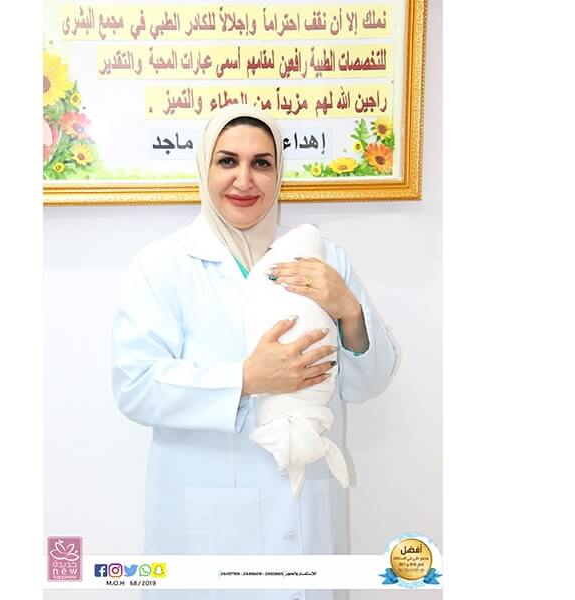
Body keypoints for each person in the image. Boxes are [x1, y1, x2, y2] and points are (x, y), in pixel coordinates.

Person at [110, 104, 400, 600]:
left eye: (261, 163)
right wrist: (246, 378)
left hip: (305, 514)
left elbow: (369, 382)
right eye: (227, 161)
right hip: (206, 529)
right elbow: (135, 387)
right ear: (205, 167)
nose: (244, 179)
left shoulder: (323, 258)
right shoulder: (164, 265)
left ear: (278, 172)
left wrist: (349, 311)